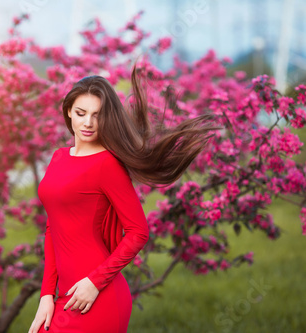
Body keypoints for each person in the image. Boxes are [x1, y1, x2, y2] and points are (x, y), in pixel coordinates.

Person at [28, 62, 216, 333]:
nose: (88, 122)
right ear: (69, 112)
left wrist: (95, 283)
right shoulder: (58, 158)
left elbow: (138, 232)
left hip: (97, 294)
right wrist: (47, 295)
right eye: (81, 113)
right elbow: (52, 228)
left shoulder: (107, 165)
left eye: (97, 115)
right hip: (64, 296)